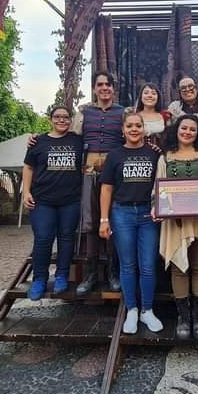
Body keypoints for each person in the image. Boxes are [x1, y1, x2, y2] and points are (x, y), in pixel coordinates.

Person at [153, 114, 198, 340]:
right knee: (179, 266)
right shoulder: (166, 158)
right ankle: (183, 317)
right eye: (184, 128)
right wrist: (156, 207)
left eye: (192, 129)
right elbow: (158, 188)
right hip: (176, 222)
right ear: (177, 130)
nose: (187, 132)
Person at [99, 111, 163, 334]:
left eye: (138, 125)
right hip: (122, 213)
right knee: (127, 265)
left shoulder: (155, 154)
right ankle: (132, 310)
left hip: (148, 214)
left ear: (144, 129)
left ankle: (147, 310)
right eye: (130, 126)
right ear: (123, 130)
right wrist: (104, 219)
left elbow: (161, 184)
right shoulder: (115, 155)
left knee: (148, 265)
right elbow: (106, 188)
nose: (134, 129)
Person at [68, 72, 125, 294]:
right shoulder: (84, 113)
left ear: (113, 88)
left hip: (114, 172)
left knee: (112, 220)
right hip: (89, 171)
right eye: (100, 84)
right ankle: (91, 273)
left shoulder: (123, 112)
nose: (104, 88)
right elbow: (71, 137)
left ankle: (113, 272)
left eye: (108, 84)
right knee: (91, 221)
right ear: (94, 89)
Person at [23, 105, 83, 300]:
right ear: (50, 119)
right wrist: (26, 192)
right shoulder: (38, 141)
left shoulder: (78, 140)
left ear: (71, 120)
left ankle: (61, 275)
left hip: (70, 200)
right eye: (57, 117)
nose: (61, 120)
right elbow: (28, 167)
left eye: (65, 117)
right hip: (42, 200)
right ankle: (39, 278)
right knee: (43, 239)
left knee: (66, 238)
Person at [134, 82, 171, 149]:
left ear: (158, 97)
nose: (150, 96)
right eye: (146, 93)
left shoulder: (166, 116)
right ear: (141, 97)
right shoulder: (133, 116)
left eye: (153, 93)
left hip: (161, 153)